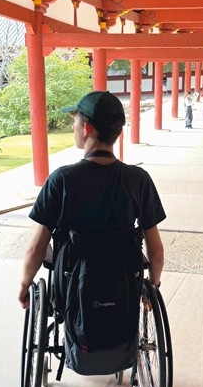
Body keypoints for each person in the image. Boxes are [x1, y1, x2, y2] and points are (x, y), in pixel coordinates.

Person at [18, 92, 166, 372]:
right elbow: (155, 250)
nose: (74, 128)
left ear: (86, 129)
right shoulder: (139, 180)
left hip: (73, 282)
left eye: (75, 122)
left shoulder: (61, 180)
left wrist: (25, 283)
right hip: (123, 280)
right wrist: (152, 285)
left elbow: (35, 249)